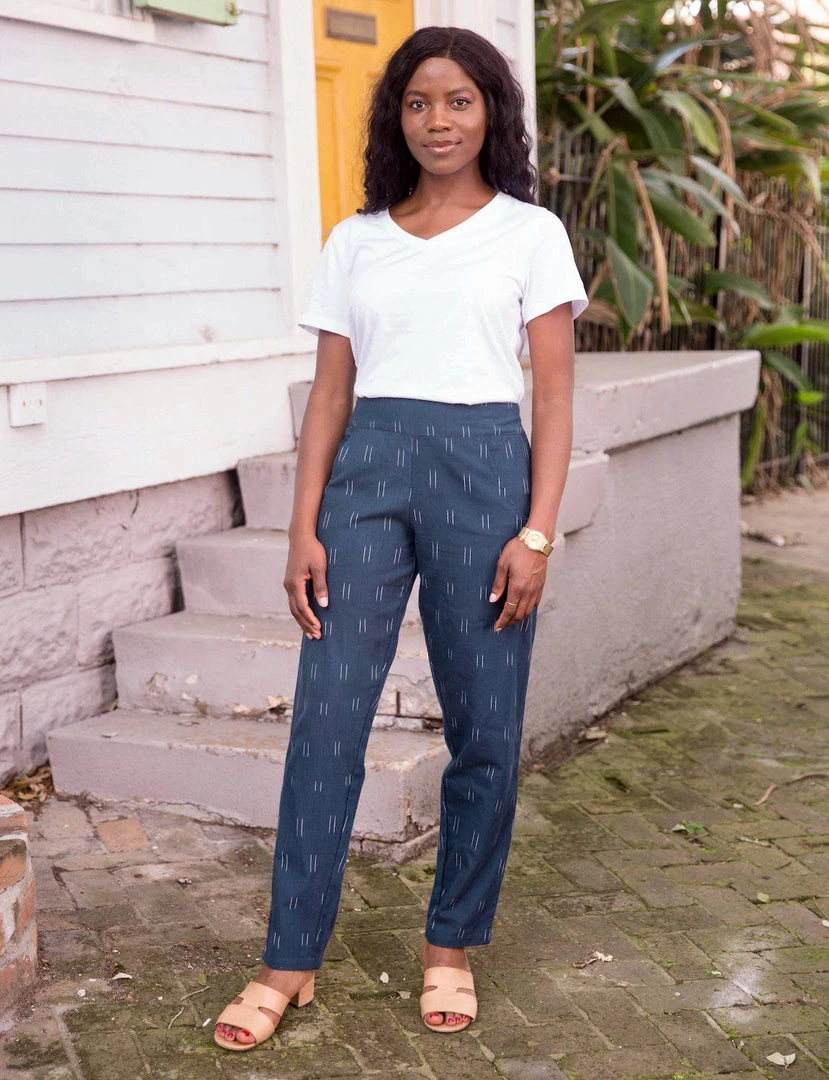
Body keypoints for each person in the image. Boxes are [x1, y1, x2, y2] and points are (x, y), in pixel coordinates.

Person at [214, 24, 588, 1051]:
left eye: (458, 100)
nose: (438, 120)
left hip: (485, 473)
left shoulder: (529, 233)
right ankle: (289, 958)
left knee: (484, 726)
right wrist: (302, 526)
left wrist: (537, 532)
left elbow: (554, 396)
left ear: (490, 111)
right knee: (327, 721)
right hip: (367, 476)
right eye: (419, 102)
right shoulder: (357, 240)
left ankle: (450, 942)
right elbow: (329, 394)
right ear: (396, 117)